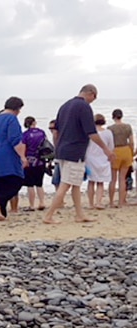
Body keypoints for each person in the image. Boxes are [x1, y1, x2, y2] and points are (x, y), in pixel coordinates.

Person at [43, 84, 115, 224]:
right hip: (75, 151)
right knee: (66, 183)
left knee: (75, 183)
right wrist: (106, 150)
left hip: (62, 150)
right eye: (94, 97)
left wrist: (57, 147)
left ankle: (79, 214)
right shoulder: (84, 107)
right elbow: (91, 132)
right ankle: (49, 215)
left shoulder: (65, 106)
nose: (93, 101)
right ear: (90, 93)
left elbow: (55, 130)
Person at [0, 97, 27, 221]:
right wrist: (23, 157)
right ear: (17, 108)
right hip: (5, 155)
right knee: (16, 181)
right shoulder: (12, 119)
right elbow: (15, 140)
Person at [107, 108, 135, 208]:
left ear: (113, 117)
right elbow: (131, 141)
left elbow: (109, 142)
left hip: (115, 151)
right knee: (122, 178)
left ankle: (111, 202)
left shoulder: (110, 128)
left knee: (113, 179)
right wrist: (132, 152)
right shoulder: (127, 127)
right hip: (126, 150)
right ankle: (121, 201)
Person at [86, 114, 114, 209]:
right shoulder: (108, 133)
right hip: (103, 158)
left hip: (90, 158)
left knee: (91, 181)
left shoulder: (89, 133)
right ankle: (98, 202)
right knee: (100, 182)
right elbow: (111, 146)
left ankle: (90, 204)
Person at [21, 116, 47, 211]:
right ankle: (42, 202)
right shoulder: (42, 132)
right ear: (34, 122)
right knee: (39, 183)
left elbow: (23, 147)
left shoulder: (25, 135)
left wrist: (23, 158)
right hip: (40, 160)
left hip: (30, 160)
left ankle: (32, 205)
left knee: (30, 184)